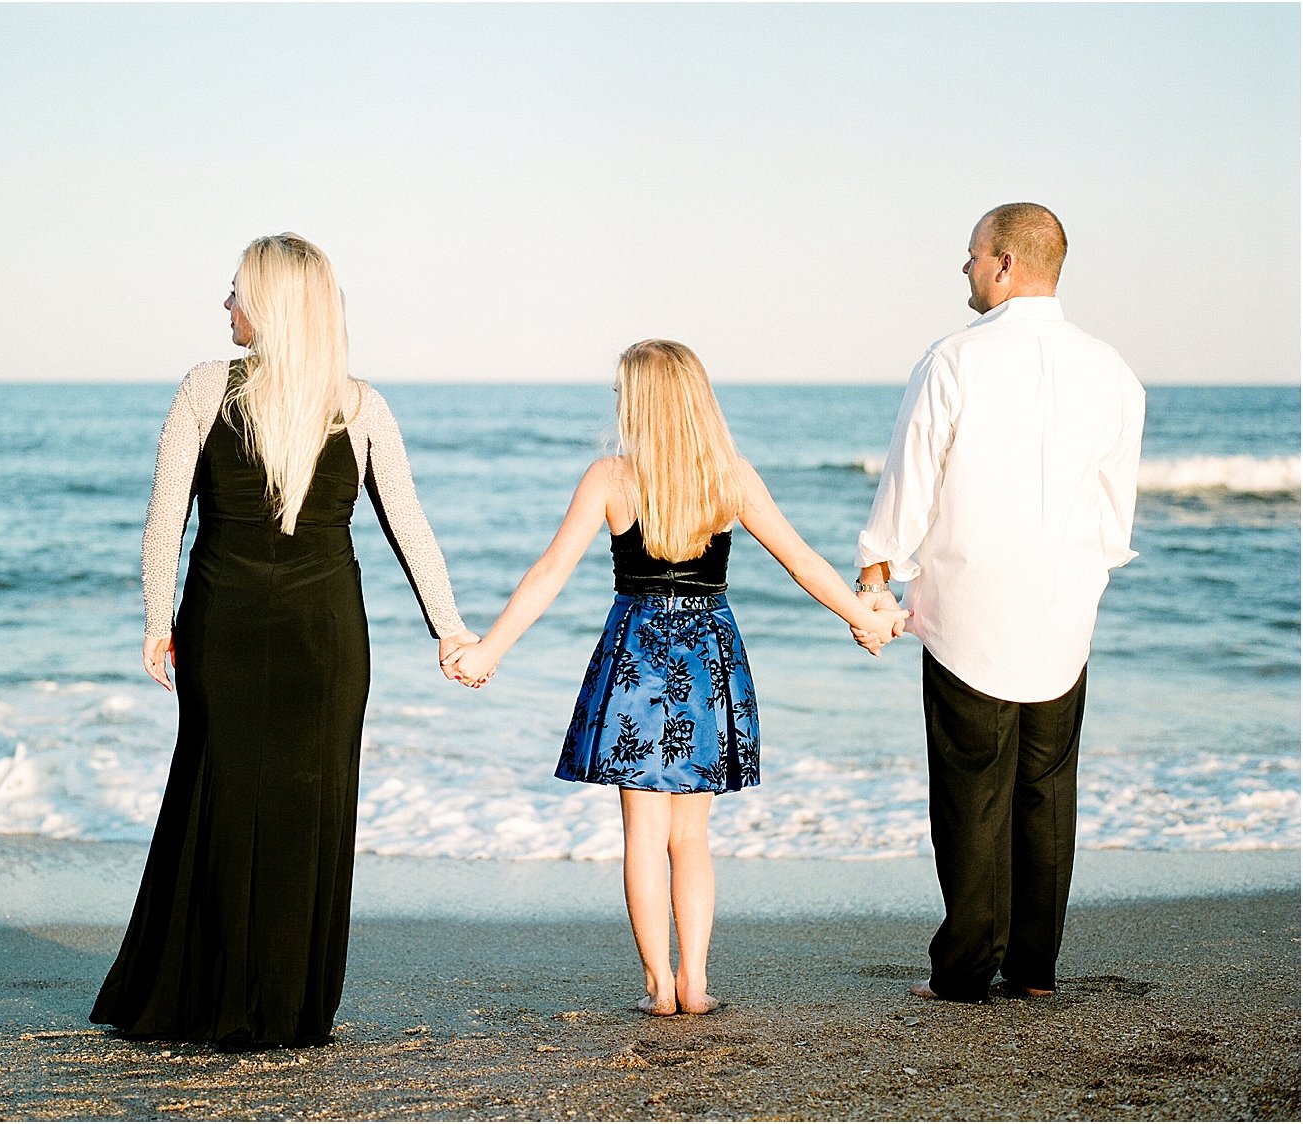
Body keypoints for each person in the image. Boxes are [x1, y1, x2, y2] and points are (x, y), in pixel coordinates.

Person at [91, 234, 476, 1047]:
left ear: (267, 305)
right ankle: (292, 1006)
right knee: (309, 810)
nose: (225, 304)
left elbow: (166, 519)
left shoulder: (206, 387)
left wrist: (156, 622)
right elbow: (410, 526)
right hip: (325, 639)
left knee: (217, 800)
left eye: (234, 291)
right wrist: (451, 630)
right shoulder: (360, 402)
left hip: (223, 626)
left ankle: (200, 996)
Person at [445, 339, 907, 1016]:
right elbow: (801, 561)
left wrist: (490, 649)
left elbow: (549, 573)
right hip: (706, 655)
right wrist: (858, 616)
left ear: (640, 403)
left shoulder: (610, 478)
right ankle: (695, 982)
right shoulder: (729, 476)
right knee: (691, 838)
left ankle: (660, 987)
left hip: (635, 652)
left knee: (643, 836)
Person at [854, 203, 1145, 1003]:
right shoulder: (1114, 371)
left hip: (967, 611)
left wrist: (877, 579)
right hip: (1062, 614)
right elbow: (1113, 517)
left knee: (971, 791)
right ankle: (1036, 970)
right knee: (1046, 792)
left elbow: (909, 486)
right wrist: (1080, 580)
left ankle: (963, 971)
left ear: (1008, 263)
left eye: (974, 255)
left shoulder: (954, 360)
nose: (966, 268)